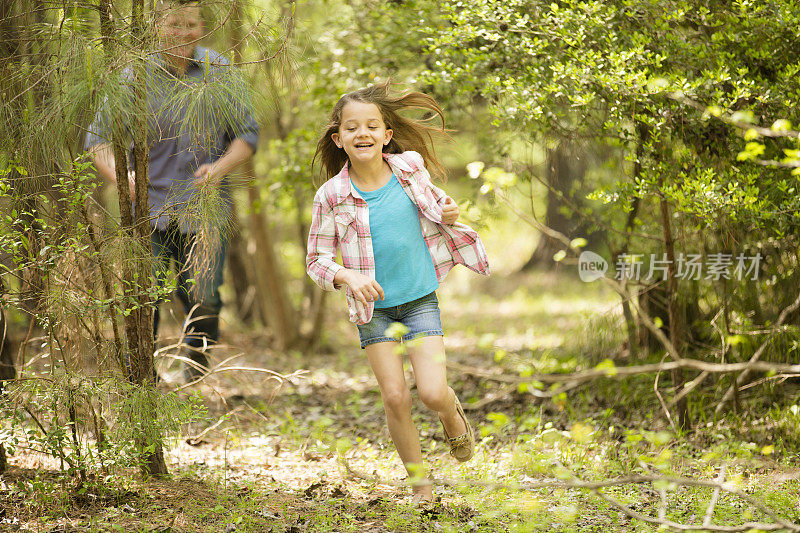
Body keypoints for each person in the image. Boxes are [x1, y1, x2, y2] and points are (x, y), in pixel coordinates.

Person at [306, 81, 490, 504]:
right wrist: (347, 278)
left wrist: (449, 210)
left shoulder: (409, 167)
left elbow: (437, 202)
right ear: (339, 139)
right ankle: (421, 485)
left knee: (430, 392)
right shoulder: (331, 195)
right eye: (352, 128)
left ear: (387, 134)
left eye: (372, 125)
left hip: (420, 297)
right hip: (375, 311)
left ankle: (450, 410)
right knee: (394, 396)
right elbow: (316, 259)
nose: (363, 133)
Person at [85, 0, 259, 381]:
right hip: (146, 209)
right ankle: (142, 379)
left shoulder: (220, 71)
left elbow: (248, 135)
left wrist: (219, 168)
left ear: (202, 26)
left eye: (191, 24)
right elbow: (97, 140)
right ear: (158, 27)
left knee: (203, 297)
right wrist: (122, 176)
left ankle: (193, 373)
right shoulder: (134, 75)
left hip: (204, 208)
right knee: (141, 298)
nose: (183, 32)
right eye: (174, 24)